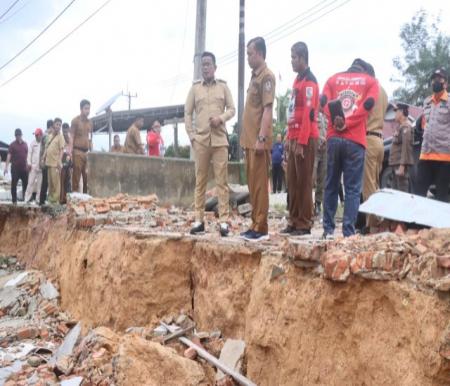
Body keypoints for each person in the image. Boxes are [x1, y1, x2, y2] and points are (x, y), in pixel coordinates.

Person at [321, 58, 379, 238]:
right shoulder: (370, 81)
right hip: (355, 140)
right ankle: (348, 232)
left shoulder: (332, 79)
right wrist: (348, 122)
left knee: (331, 184)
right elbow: (368, 105)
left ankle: (328, 230)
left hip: (334, 138)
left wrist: (335, 119)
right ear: (363, 70)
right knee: (352, 189)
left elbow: (323, 102)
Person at [185, 51, 236, 236]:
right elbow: (187, 112)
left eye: (208, 64)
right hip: (201, 141)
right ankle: (198, 220)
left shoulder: (223, 87)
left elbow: (232, 109)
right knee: (200, 181)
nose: (205, 67)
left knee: (222, 182)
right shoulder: (195, 89)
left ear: (215, 67)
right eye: (203, 65)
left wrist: (221, 118)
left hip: (220, 140)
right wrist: (191, 135)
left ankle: (223, 222)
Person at [281, 41, 319, 236]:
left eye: (294, 57)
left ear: (303, 58)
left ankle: (304, 222)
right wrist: (289, 136)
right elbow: (293, 111)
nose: (292, 61)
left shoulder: (310, 82)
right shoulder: (297, 81)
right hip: (294, 135)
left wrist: (302, 142)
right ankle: (293, 220)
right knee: (293, 181)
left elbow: (309, 114)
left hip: (306, 137)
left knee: (304, 182)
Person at [240, 37, 276, 241]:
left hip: (258, 141)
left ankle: (261, 227)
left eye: (250, 54)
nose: (248, 57)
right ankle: (254, 223)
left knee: (261, 185)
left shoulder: (267, 77)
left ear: (260, 53)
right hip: (249, 141)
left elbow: (267, 109)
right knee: (252, 185)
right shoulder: (254, 77)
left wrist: (262, 138)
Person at [415, 68, 450, 202]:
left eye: (439, 79)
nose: (436, 81)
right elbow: (425, 125)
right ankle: (417, 223)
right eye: (434, 79)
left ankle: (441, 224)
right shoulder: (426, 102)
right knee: (418, 194)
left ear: (445, 83)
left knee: (441, 198)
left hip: (444, 157)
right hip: (426, 155)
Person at [361, 63, 388, 231]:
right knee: (375, 183)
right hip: (379, 140)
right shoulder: (383, 91)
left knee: (368, 185)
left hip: (369, 138)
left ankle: (374, 223)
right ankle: (371, 223)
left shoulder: (370, 90)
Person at [389, 102, 414, 192]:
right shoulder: (401, 127)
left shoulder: (406, 127)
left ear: (401, 112)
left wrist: (402, 166)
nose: (395, 114)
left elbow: (406, 148)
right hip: (396, 165)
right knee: (395, 194)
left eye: (396, 112)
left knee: (402, 194)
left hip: (400, 166)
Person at [70, 99, 92, 194]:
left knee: (87, 177)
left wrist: (92, 152)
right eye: (86, 108)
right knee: (76, 176)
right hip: (77, 151)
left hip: (86, 152)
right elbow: (71, 137)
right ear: (81, 109)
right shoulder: (75, 121)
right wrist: (70, 153)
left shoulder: (90, 123)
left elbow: (90, 138)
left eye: (89, 108)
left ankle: (86, 198)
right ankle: (74, 197)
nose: (88, 110)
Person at [4, 128, 28, 204]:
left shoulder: (25, 144)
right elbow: (9, 156)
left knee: (26, 184)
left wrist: (28, 165)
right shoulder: (12, 145)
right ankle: (14, 201)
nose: (18, 137)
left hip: (24, 169)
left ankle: (25, 199)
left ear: (21, 135)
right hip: (15, 169)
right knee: (14, 185)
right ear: (15, 136)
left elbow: (27, 156)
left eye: (19, 135)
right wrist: (6, 167)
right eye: (16, 135)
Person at [45, 118, 65, 204]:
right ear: (54, 125)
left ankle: (56, 200)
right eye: (57, 124)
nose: (58, 126)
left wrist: (59, 161)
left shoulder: (60, 137)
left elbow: (61, 150)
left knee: (56, 183)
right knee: (50, 183)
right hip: (48, 163)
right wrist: (43, 158)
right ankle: (50, 199)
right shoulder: (49, 136)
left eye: (60, 125)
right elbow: (47, 148)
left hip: (55, 163)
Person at [313, 110, 328, 216]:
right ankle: (307, 204)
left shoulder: (326, 115)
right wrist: (320, 138)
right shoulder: (313, 113)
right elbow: (311, 128)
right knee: (311, 178)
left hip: (325, 150)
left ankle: (318, 204)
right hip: (314, 150)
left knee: (322, 180)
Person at [24, 128, 43, 203]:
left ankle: (38, 200)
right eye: (35, 135)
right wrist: (29, 163)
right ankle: (27, 199)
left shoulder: (43, 144)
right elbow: (29, 154)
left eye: (37, 135)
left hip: (41, 168)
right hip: (33, 167)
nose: (36, 136)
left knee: (39, 185)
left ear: (41, 135)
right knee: (30, 183)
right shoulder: (32, 143)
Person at [39, 120, 53, 205]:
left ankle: (43, 200)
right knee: (45, 182)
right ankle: (42, 200)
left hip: (45, 161)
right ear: (50, 127)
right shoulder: (46, 136)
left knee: (45, 182)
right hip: (46, 161)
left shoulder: (45, 135)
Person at [60, 123, 72, 204]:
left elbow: (71, 150)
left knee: (68, 181)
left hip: (69, 161)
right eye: (64, 129)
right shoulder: (60, 138)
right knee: (62, 181)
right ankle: (61, 199)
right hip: (62, 161)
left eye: (66, 129)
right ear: (62, 129)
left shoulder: (70, 138)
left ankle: (67, 199)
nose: (65, 131)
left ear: (68, 129)